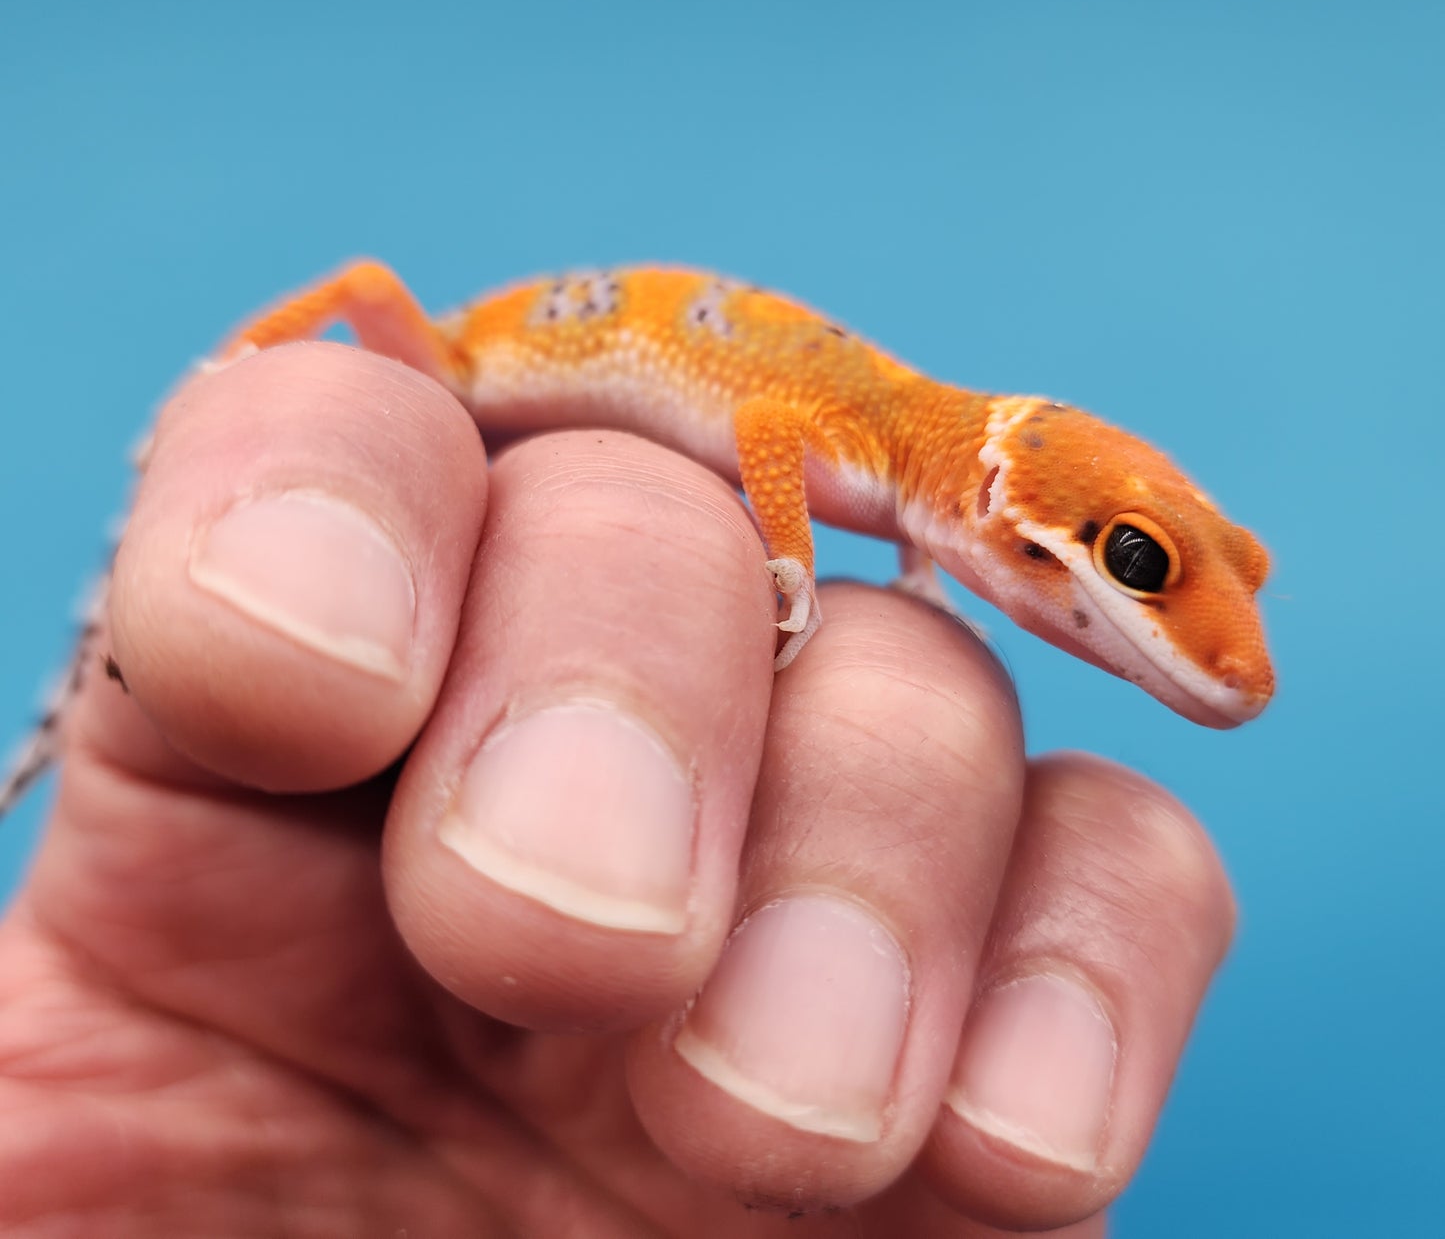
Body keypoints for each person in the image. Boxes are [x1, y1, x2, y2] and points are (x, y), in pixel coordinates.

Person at [0, 343, 1235, 1237]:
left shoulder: (924, 484)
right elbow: (767, 415)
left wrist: (910, 578)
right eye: (1144, 562)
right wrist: (789, 560)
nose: (1222, 650)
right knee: (374, 366)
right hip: (479, 369)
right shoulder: (881, 439)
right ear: (1003, 502)